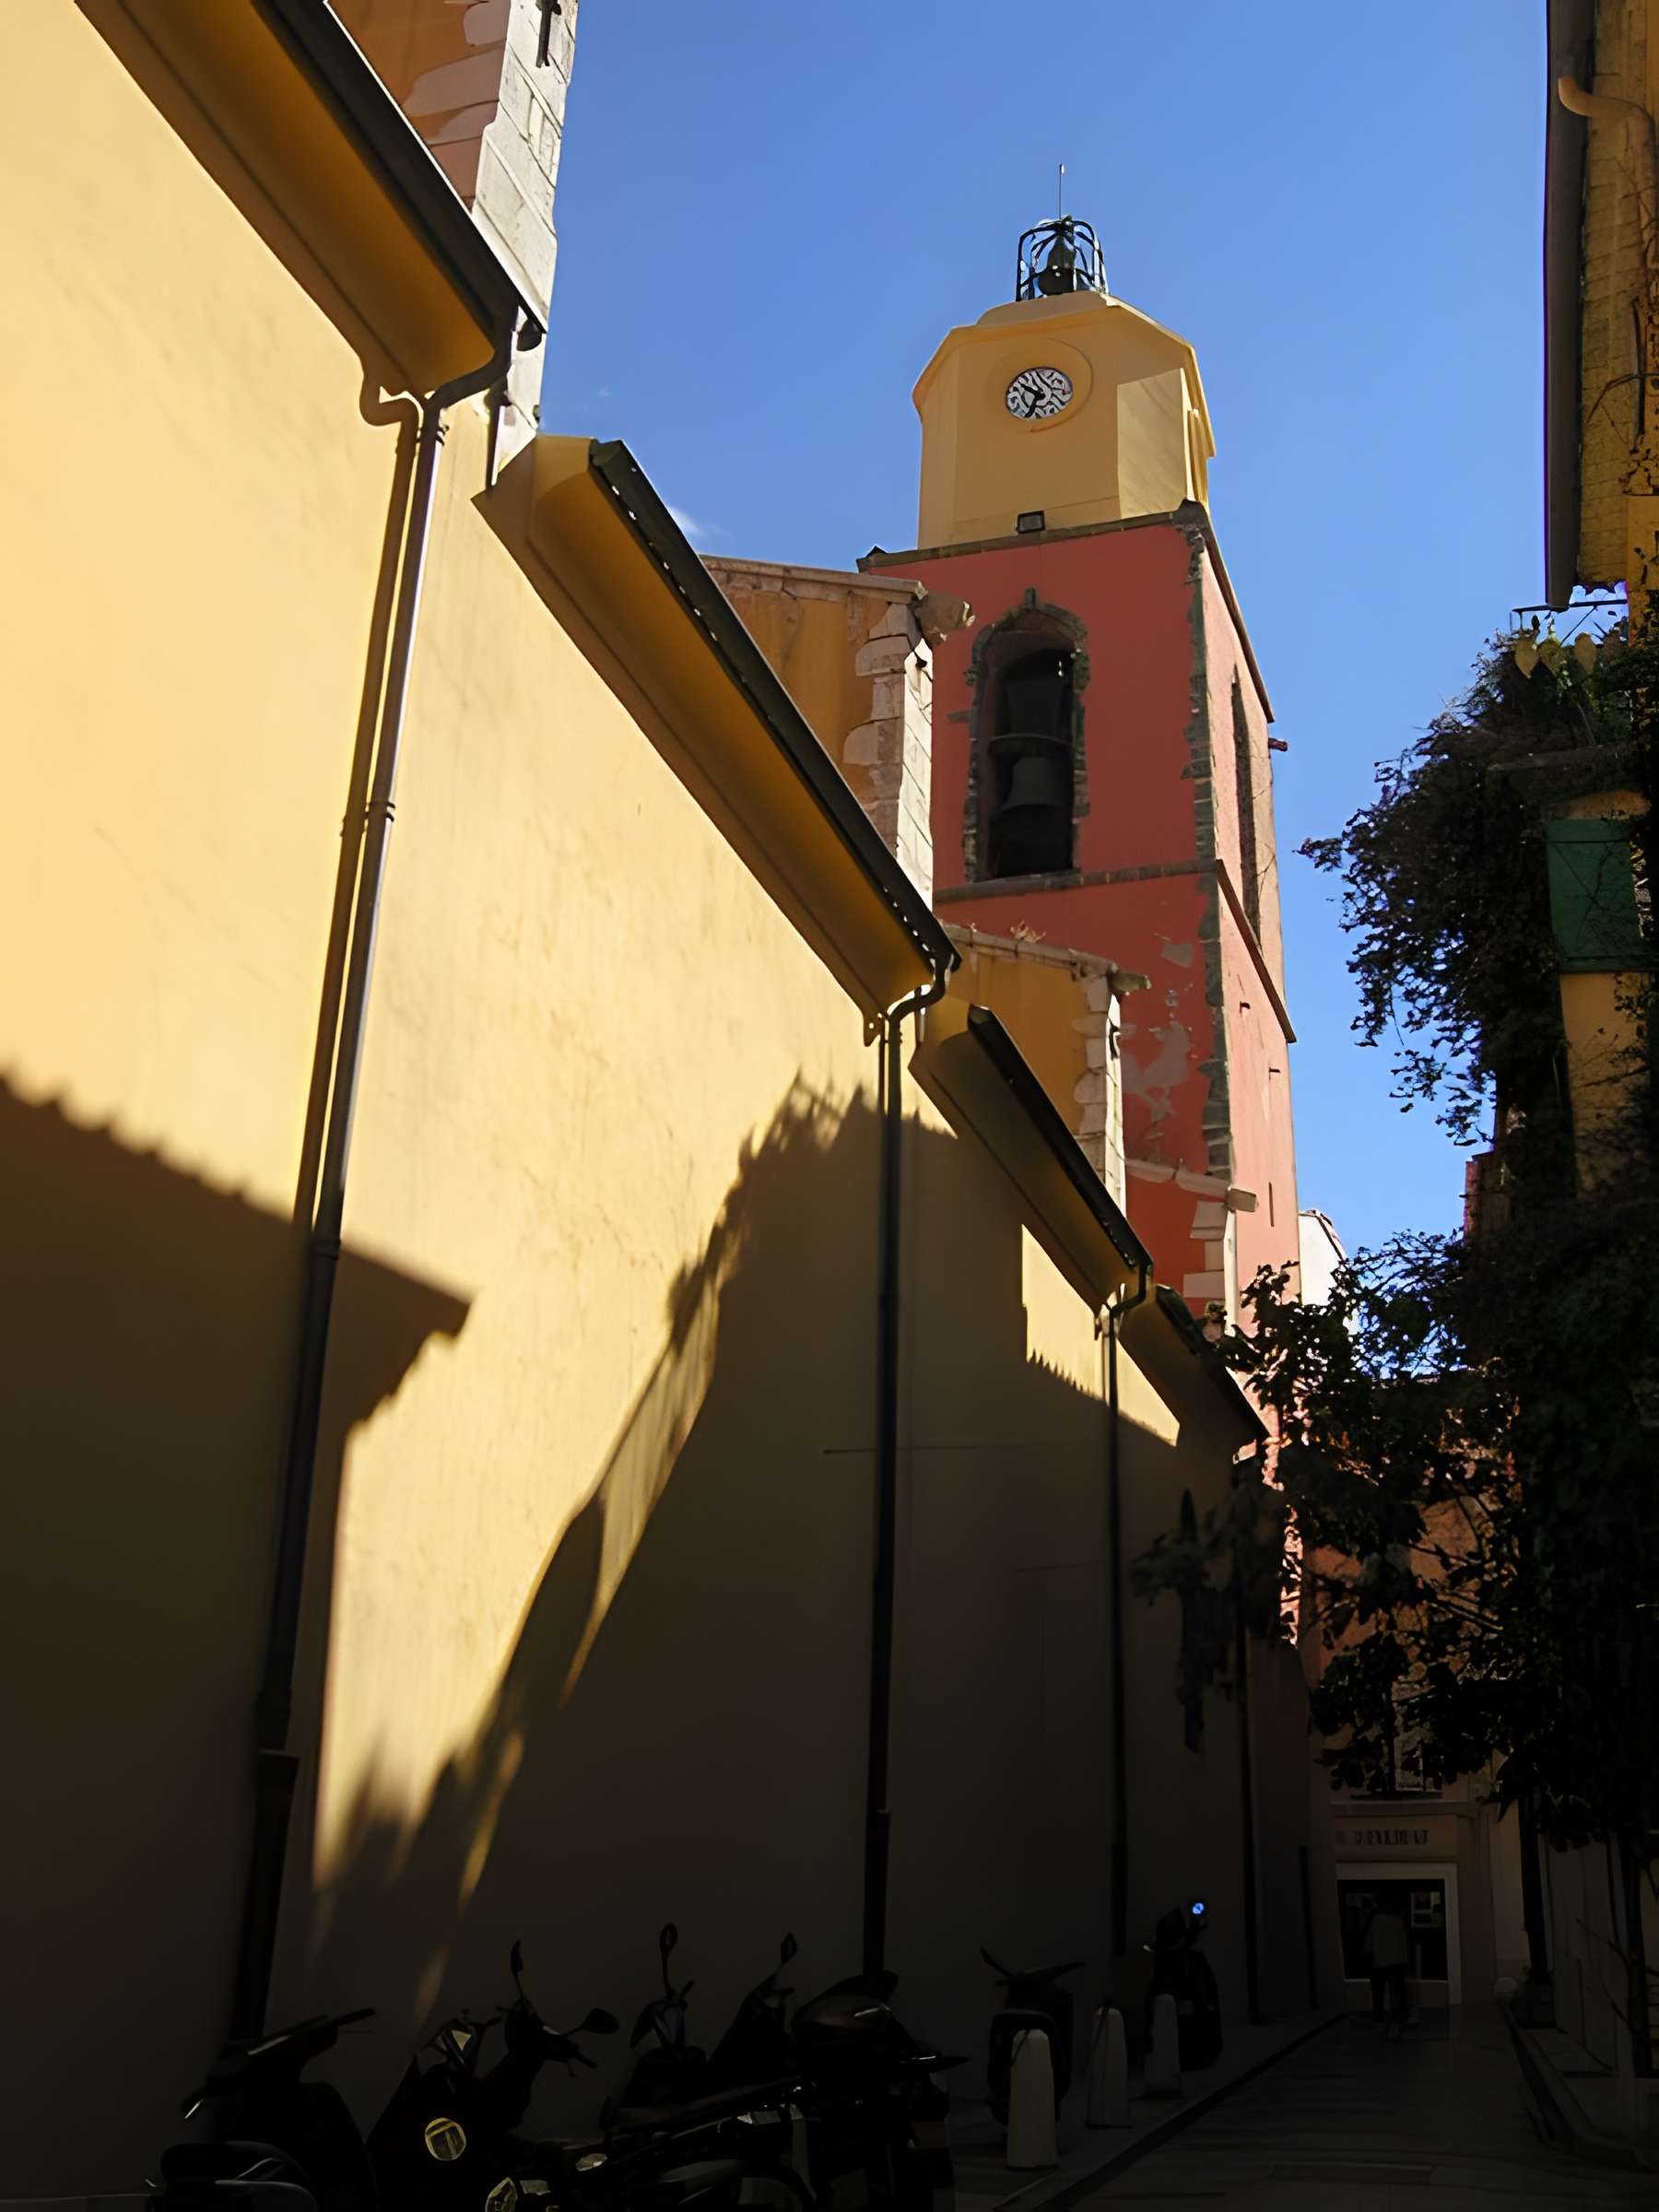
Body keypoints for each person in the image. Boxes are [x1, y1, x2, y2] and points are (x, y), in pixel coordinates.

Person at [1362, 1903, 1410, 2040]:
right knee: (1396, 1993)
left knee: (1378, 1993)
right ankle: (1395, 2024)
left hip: (1379, 1962)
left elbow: (1368, 1945)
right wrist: (1405, 1963)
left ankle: (1379, 2023)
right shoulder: (1399, 1921)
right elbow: (1404, 1944)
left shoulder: (1376, 1920)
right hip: (1397, 1962)